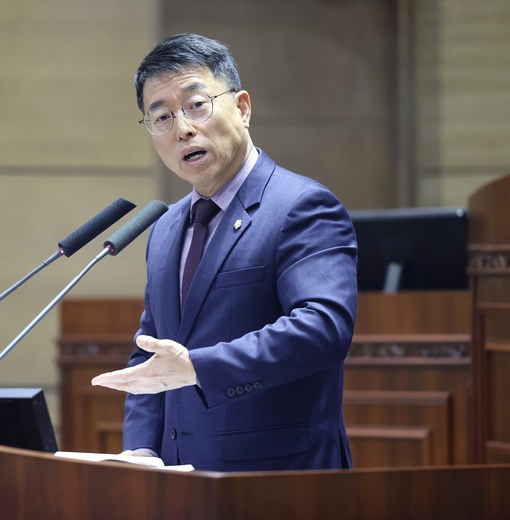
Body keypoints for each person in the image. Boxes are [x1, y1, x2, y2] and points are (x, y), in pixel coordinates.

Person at [91, 33, 358, 472]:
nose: (182, 129)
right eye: (161, 117)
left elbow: (323, 328)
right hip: (179, 482)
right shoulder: (165, 228)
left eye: (197, 105)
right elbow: (152, 354)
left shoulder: (301, 206)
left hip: (277, 480)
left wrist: (198, 367)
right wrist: (141, 449)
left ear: (243, 108)